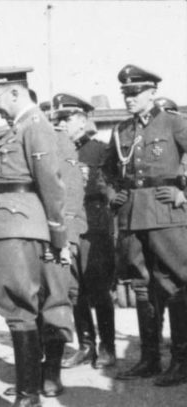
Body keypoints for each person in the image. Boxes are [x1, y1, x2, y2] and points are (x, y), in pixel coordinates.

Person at [0, 64, 73, 407]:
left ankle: (50, 376)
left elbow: (51, 182)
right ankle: (30, 386)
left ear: (15, 92)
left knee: (54, 300)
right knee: (30, 302)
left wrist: (59, 236)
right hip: (34, 227)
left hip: (48, 229)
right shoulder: (14, 130)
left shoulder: (35, 126)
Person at [103, 64, 187, 386]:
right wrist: (113, 194)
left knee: (175, 283)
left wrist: (183, 192)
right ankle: (149, 358)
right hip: (132, 214)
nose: (129, 98)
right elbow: (108, 169)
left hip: (166, 212)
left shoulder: (173, 123)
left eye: (135, 92)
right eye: (125, 93)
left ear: (152, 93)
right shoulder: (121, 130)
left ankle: (181, 361)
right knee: (142, 285)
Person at [51, 93, 117, 369]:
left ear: (81, 120)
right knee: (73, 289)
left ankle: (108, 347)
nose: (61, 124)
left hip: (93, 226)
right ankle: (85, 346)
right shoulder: (54, 151)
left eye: (66, 119)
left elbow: (113, 185)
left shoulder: (100, 151)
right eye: (59, 119)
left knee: (98, 287)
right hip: (67, 225)